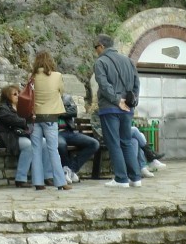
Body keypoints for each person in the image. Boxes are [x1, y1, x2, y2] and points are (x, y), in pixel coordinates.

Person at [94, 34, 141, 188]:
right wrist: (131, 102)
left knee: (113, 143)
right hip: (127, 109)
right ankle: (135, 178)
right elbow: (136, 83)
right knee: (126, 142)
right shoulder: (128, 61)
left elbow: (103, 84)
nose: (96, 51)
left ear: (101, 46)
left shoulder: (101, 62)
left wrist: (116, 100)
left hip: (110, 107)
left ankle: (121, 179)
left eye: (96, 48)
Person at [28, 51, 71, 191]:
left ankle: (38, 183)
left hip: (34, 118)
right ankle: (60, 182)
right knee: (53, 149)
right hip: (51, 117)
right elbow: (61, 91)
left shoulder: (32, 76)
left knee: (36, 150)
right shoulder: (57, 76)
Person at [0, 84, 34, 187]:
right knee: (28, 145)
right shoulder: (3, 108)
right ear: (7, 96)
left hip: (20, 136)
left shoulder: (21, 107)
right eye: (15, 94)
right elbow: (14, 120)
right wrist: (27, 120)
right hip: (8, 138)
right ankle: (21, 179)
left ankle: (46, 176)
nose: (18, 96)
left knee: (43, 142)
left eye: (19, 93)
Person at [57, 94, 100, 183]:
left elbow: (73, 112)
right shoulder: (47, 99)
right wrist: (63, 112)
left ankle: (70, 169)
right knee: (61, 144)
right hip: (56, 133)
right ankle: (66, 170)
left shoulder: (67, 98)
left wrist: (57, 112)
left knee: (94, 143)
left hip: (69, 132)